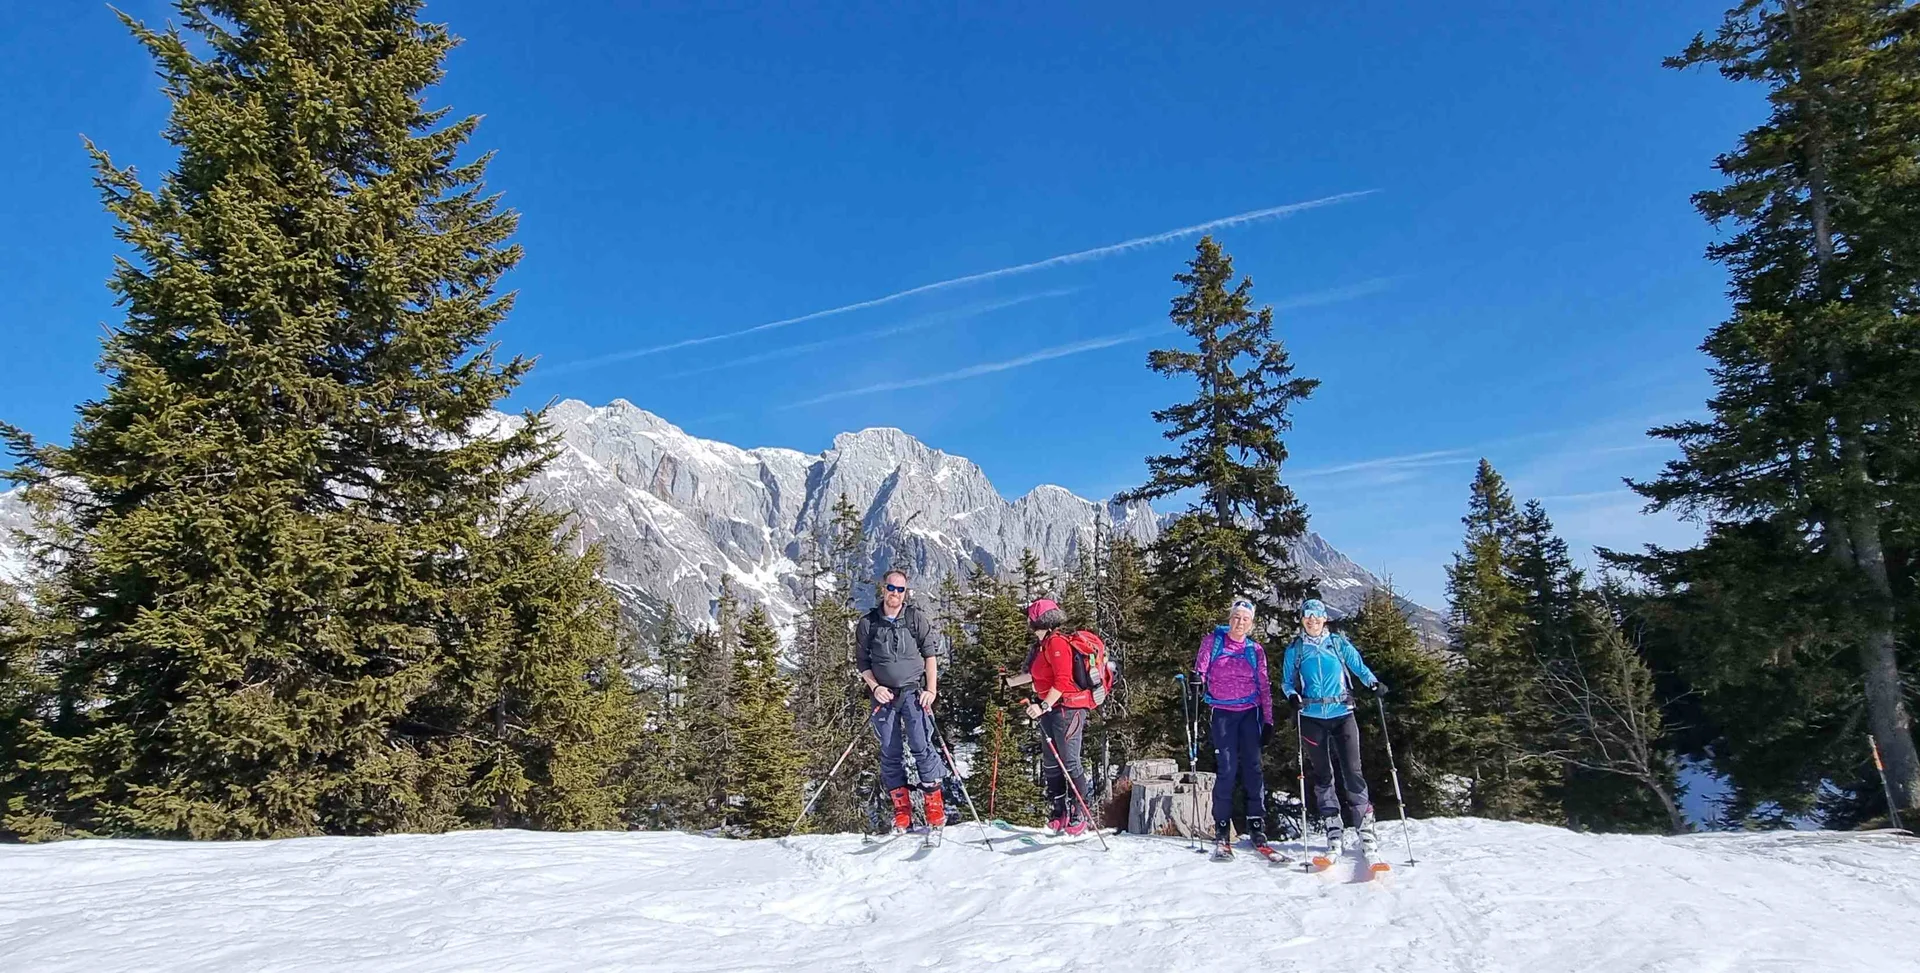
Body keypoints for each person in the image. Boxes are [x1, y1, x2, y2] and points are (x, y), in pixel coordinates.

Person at [1280, 597, 1388, 857]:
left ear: (1324, 618)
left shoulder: (1337, 643)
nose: (1312, 620)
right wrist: (1292, 696)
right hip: (1311, 716)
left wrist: (1373, 683)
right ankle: (1333, 826)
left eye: (1316, 616)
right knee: (1323, 773)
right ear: (1302, 620)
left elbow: (1358, 667)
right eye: (1307, 616)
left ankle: (1364, 826)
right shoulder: (1296, 649)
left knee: (1353, 770)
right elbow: (1286, 682)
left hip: (1342, 713)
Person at [856, 569, 948, 834]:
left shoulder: (914, 618)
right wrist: (875, 687)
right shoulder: (868, 623)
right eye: (891, 588)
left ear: (905, 592)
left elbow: (930, 656)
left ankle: (934, 808)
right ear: (883, 589)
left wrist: (931, 690)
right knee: (890, 749)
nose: (895, 593)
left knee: (921, 744)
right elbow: (862, 662)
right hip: (884, 695)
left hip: (913, 692)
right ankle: (902, 812)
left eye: (900, 589)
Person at [1195, 596, 1275, 857]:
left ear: (1251, 624)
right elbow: (1200, 670)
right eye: (1237, 617)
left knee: (1253, 768)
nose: (1240, 623)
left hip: (1250, 713)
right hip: (1223, 713)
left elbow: (1264, 686)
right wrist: (1197, 682)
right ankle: (1221, 825)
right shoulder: (1213, 642)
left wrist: (1268, 720)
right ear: (1230, 619)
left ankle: (1256, 823)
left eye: (1245, 619)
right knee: (1227, 769)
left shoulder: (1255, 650)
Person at [1023, 599, 1094, 836]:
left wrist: (1043, 705)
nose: (1027, 621)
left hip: (1068, 708)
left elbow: (1063, 680)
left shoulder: (1056, 642)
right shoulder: (1041, 645)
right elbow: (1037, 676)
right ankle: (1059, 810)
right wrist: (1010, 682)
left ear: (1039, 621)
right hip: (1052, 708)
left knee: (1069, 760)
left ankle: (1079, 811)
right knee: (1051, 761)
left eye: (1030, 617)